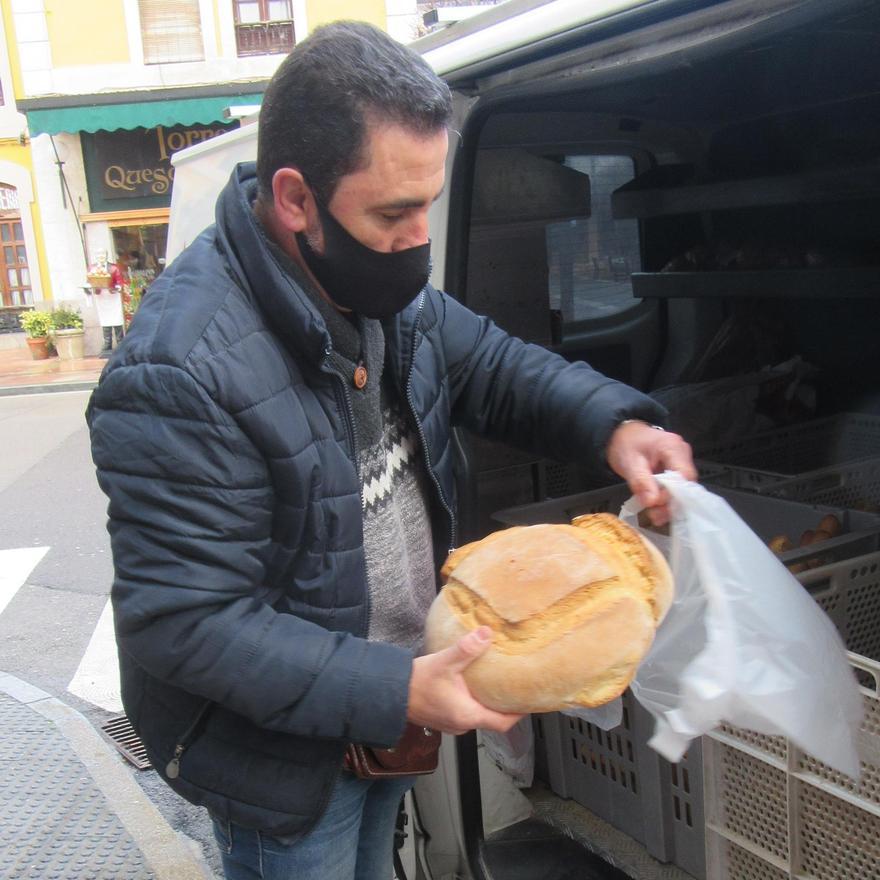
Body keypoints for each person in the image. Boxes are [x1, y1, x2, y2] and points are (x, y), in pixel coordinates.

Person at [87, 21, 696, 880]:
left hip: (386, 708)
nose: (420, 239)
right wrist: (396, 689)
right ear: (296, 200)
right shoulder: (177, 370)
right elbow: (186, 622)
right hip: (286, 762)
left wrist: (615, 425)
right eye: (394, 213)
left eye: (428, 206)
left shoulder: (368, 278)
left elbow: (492, 365)